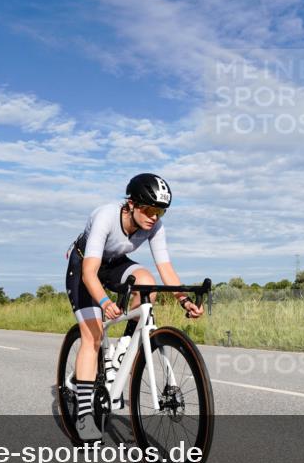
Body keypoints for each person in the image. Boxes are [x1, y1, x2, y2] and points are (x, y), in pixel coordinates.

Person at [65, 173, 202, 441]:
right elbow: (90, 273)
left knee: (147, 284)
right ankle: (83, 415)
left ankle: (123, 347)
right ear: (131, 204)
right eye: (149, 209)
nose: (154, 217)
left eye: (160, 212)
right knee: (92, 336)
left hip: (115, 262)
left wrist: (184, 300)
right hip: (84, 265)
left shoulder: (155, 227)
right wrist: (104, 302)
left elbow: (166, 270)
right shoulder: (106, 216)